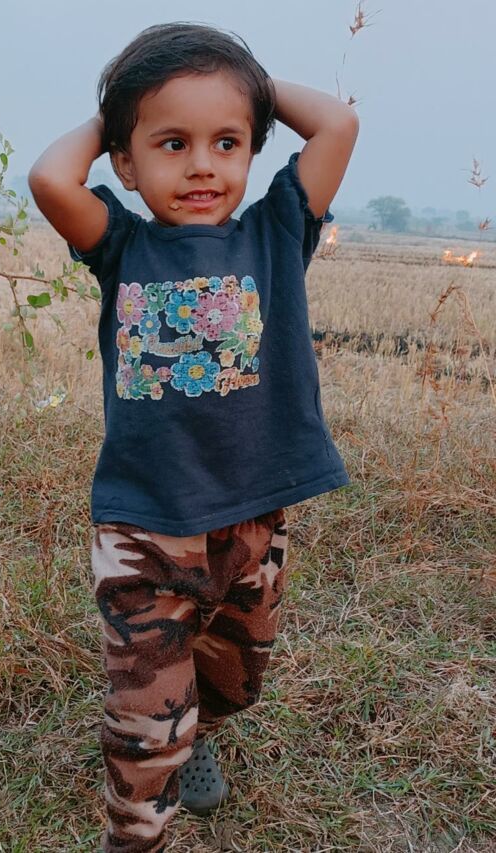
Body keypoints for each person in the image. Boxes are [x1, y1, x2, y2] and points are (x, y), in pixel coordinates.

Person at [29, 21, 359, 853]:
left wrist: (247, 83)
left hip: (252, 524)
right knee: (147, 723)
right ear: (126, 162)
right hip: (143, 529)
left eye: (227, 141)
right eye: (172, 143)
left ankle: (199, 726)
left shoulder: (275, 234)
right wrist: (118, 113)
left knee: (237, 681)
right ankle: (135, 828)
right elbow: (50, 178)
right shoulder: (122, 247)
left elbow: (338, 124)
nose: (204, 164)